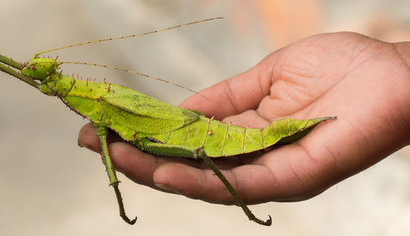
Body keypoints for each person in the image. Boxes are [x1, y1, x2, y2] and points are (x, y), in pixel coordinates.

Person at [77, 32, 409, 205]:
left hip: (198, 135)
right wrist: (398, 65)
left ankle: (248, 202)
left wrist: (398, 67)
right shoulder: (102, 99)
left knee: (192, 153)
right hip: (193, 127)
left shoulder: (103, 102)